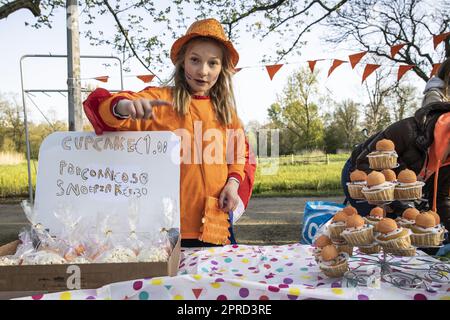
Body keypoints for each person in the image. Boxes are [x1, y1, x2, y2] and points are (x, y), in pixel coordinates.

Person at [83, 18, 256, 247]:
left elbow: (237, 156)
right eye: (195, 60)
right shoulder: (162, 101)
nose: (203, 71)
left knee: (215, 282)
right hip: (168, 230)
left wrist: (233, 183)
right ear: (183, 62)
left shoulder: (227, 113)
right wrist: (123, 107)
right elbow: (106, 112)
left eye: (212, 63)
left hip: (216, 223)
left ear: (221, 68)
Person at [341, 59, 450, 235]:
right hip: (360, 173)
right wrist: (400, 206)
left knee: (406, 235)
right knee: (375, 232)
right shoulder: (407, 131)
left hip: (393, 186)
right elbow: (365, 164)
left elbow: (442, 197)